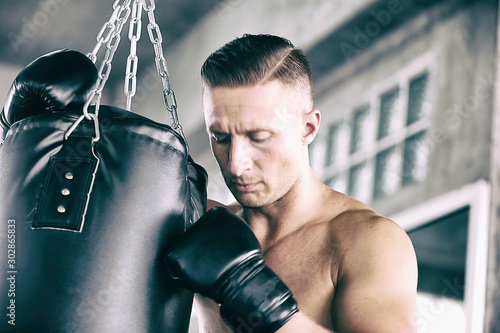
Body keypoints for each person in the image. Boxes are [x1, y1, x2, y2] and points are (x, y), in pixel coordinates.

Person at [166, 33, 418, 333]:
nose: (235, 163)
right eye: (220, 138)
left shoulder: (368, 242)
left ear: (308, 128)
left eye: (258, 137)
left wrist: (254, 296)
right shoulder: (202, 225)